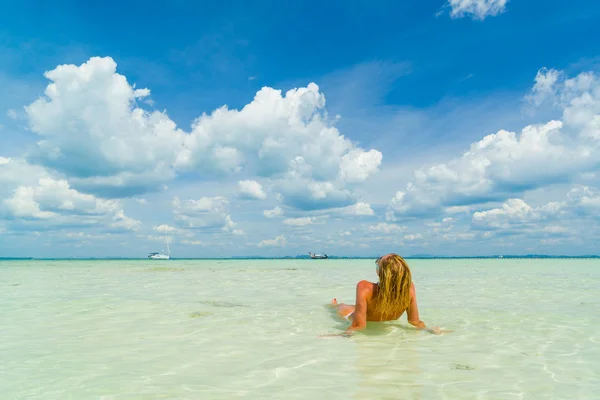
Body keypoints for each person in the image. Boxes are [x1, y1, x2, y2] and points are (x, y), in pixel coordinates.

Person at [328, 253, 449, 336]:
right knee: (355, 307)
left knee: (342, 307)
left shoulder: (364, 287)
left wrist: (341, 335)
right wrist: (428, 329)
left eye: (378, 262)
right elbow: (414, 321)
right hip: (386, 319)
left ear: (381, 272)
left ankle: (335, 305)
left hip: (352, 316)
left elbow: (359, 325)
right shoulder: (409, 288)